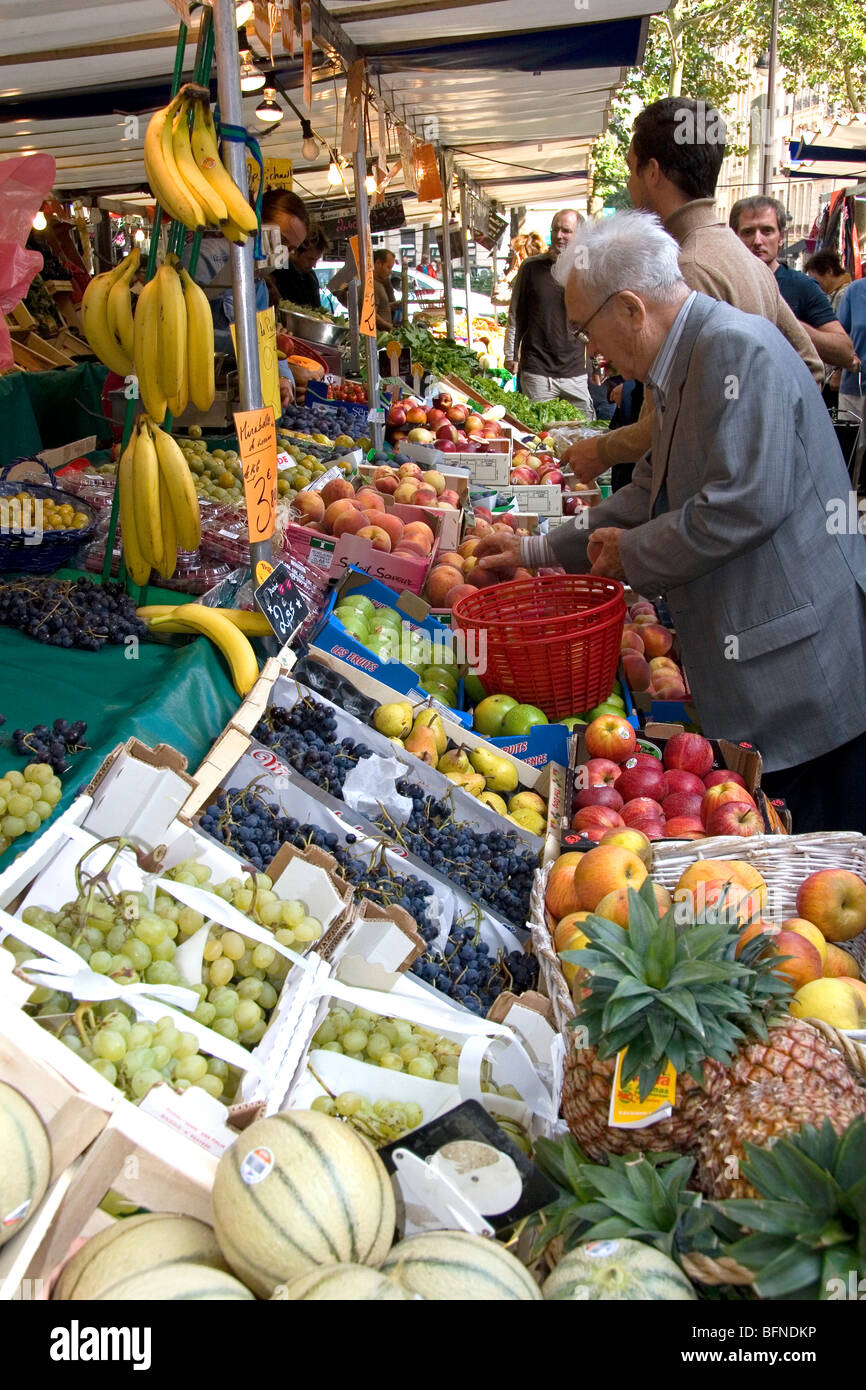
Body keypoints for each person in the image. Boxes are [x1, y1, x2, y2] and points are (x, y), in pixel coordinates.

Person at [475, 211, 866, 833]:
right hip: (761, 662)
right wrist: (532, 551)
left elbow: (745, 504)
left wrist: (632, 553)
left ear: (630, 308)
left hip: (796, 672)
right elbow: (651, 493)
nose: (589, 352)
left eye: (586, 328)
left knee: (818, 852)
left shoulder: (735, 350)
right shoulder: (687, 362)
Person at [561, 97, 824, 485]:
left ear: (653, 172)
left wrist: (603, 449)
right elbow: (809, 368)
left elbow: (670, 417)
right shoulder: (744, 259)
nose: (629, 185)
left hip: (704, 500)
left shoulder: (680, 272)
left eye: (632, 169)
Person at [189, 187, 309, 408]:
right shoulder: (204, 258)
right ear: (256, 221)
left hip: (238, 401)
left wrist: (282, 379)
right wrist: (252, 339)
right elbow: (182, 331)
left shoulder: (259, 284)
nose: (283, 252)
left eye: (291, 248)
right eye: (281, 239)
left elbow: (268, 345)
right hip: (192, 396)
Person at [730, 196, 856, 371]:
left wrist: (789, 325)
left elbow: (844, 351)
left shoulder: (802, 286)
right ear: (734, 237)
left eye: (767, 231)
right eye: (748, 232)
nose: (757, 241)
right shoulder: (723, 284)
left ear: (781, 237)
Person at [503, 210, 594, 417]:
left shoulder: (586, 268)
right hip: (537, 372)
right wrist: (510, 353)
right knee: (538, 436)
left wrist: (596, 365)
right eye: (555, 230)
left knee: (585, 429)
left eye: (566, 231)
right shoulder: (531, 267)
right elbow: (516, 314)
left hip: (575, 372)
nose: (559, 236)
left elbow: (597, 320)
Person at [272, 223, 329, 310]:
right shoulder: (279, 273)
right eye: (310, 259)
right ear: (295, 251)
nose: (314, 265)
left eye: (316, 260)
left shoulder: (311, 277)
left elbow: (317, 310)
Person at [373, 248, 396, 330]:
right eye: (388, 267)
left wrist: (388, 306)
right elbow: (372, 315)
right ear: (378, 263)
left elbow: (378, 307)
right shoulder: (374, 286)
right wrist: (390, 326)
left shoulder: (380, 283)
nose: (390, 271)